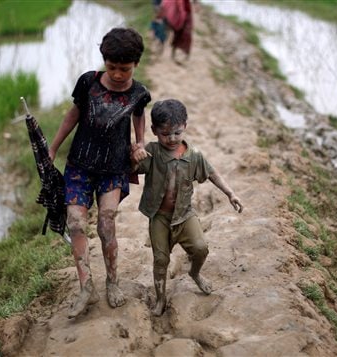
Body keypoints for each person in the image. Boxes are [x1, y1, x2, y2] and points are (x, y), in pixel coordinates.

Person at [48, 27, 152, 319]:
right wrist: (53, 147)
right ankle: (85, 286)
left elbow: (139, 115)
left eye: (125, 69)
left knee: (107, 223)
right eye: (112, 67)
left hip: (113, 167)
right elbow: (73, 115)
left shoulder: (139, 93)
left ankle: (113, 282)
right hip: (80, 164)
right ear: (104, 61)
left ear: (136, 64)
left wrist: (139, 143)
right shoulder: (88, 83)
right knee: (76, 223)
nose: (118, 74)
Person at [131, 99, 242, 316]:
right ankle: (161, 298)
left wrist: (230, 193)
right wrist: (135, 155)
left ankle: (195, 273)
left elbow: (211, 173)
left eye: (176, 133)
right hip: (160, 217)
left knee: (201, 248)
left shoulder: (194, 156)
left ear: (185, 127)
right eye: (165, 134)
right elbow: (133, 168)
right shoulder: (152, 152)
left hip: (184, 214)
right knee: (161, 259)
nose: (171, 139)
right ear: (153, 130)